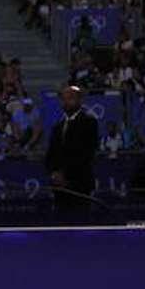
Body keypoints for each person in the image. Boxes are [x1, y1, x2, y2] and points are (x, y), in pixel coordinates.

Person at [44, 85, 99, 221]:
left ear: (79, 100)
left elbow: (86, 153)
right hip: (59, 187)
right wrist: (54, 173)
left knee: (81, 222)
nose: (66, 102)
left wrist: (65, 174)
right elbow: (51, 153)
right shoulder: (58, 126)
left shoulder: (88, 122)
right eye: (64, 99)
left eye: (70, 98)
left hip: (79, 183)